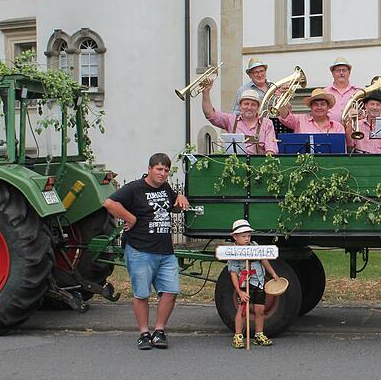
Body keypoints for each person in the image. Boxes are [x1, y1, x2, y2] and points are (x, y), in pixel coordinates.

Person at [103, 153, 190, 350]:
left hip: (165, 250)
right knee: (142, 294)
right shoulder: (134, 188)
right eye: (159, 169)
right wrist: (130, 218)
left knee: (171, 291)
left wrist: (181, 197)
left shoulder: (166, 188)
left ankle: (159, 331)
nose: (163, 173)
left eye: (166, 170)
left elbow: (173, 207)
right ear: (150, 168)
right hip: (140, 250)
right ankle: (144, 333)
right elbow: (109, 203)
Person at [228, 219, 279, 349]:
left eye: (248, 236)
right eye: (243, 236)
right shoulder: (232, 252)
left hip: (259, 283)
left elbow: (264, 260)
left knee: (260, 309)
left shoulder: (254, 246)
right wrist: (239, 291)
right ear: (235, 237)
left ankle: (259, 334)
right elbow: (233, 273)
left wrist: (272, 273)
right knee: (243, 309)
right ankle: (238, 335)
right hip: (245, 284)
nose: (247, 239)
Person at [202, 81, 278, 155]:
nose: (249, 107)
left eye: (253, 105)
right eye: (246, 104)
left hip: (257, 165)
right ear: (240, 106)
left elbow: (271, 150)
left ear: (258, 108)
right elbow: (210, 114)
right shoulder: (231, 120)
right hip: (235, 164)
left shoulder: (266, 123)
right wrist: (206, 92)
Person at [233, 57, 293, 134]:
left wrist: (283, 97)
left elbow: (289, 110)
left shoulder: (274, 86)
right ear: (250, 75)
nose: (260, 74)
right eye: (256, 72)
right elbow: (237, 114)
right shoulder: (243, 90)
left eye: (262, 71)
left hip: (278, 127)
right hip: (254, 128)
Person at [278, 88, 346, 134]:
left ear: (328, 107)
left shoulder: (338, 127)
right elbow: (284, 116)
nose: (319, 107)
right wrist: (283, 96)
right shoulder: (300, 120)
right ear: (311, 107)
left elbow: (342, 151)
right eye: (316, 105)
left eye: (322, 104)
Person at [325, 57, 358, 123]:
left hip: (352, 131)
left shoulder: (357, 91)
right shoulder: (325, 92)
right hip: (331, 131)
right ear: (332, 73)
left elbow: (364, 114)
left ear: (349, 72)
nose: (341, 73)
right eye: (338, 70)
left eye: (344, 70)